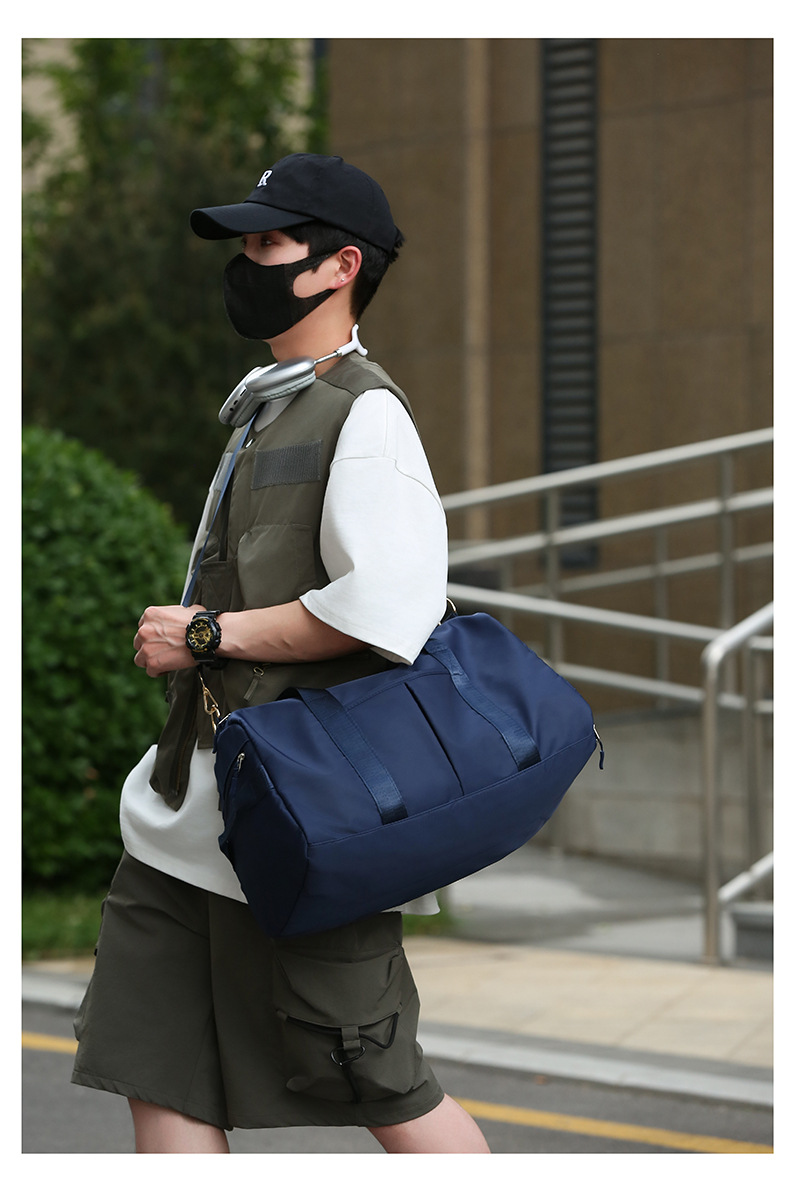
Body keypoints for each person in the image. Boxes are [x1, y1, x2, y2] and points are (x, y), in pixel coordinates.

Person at [70, 152, 490, 1154]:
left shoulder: (365, 413)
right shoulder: (274, 402)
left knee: (386, 1086)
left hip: (304, 829)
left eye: (268, 243)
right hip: (182, 820)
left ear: (340, 266)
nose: (246, 263)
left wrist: (205, 634)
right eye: (245, 243)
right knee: (157, 1079)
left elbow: (387, 608)